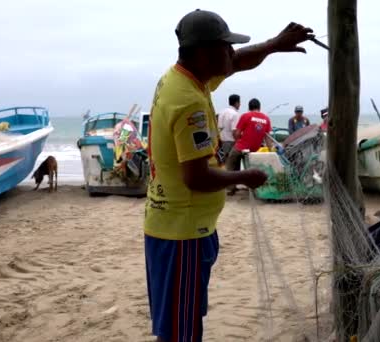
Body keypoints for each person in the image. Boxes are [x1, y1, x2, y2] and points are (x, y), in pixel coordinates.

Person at [144, 9, 313, 342]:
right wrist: (243, 177)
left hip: (179, 228)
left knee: (184, 319)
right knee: (181, 331)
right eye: (227, 47)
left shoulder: (186, 76)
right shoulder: (188, 100)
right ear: (205, 53)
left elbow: (238, 62)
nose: (232, 53)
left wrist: (275, 44)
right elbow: (196, 177)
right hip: (182, 235)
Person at [225, 98, 274, 195]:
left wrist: (237, 140)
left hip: (241, 148)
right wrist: (271, 151)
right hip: (254, 150)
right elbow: (268, 138)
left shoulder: (246, 116)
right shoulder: (266, 119)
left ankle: (231, 188)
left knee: (231, 163)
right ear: (259, 107)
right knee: (248, 167)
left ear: (249, 107)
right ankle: (250, 185)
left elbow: (237, 133)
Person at [217, 94, 241, 162]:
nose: (240, 104)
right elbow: (234, 132)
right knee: (231, 165)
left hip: (221, 142)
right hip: (231, 143)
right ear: (236, 103)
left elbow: (220, 128)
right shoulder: (235, 114)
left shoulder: (222, 112)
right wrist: (239, 143)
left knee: (223, 163)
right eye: (239, 102)